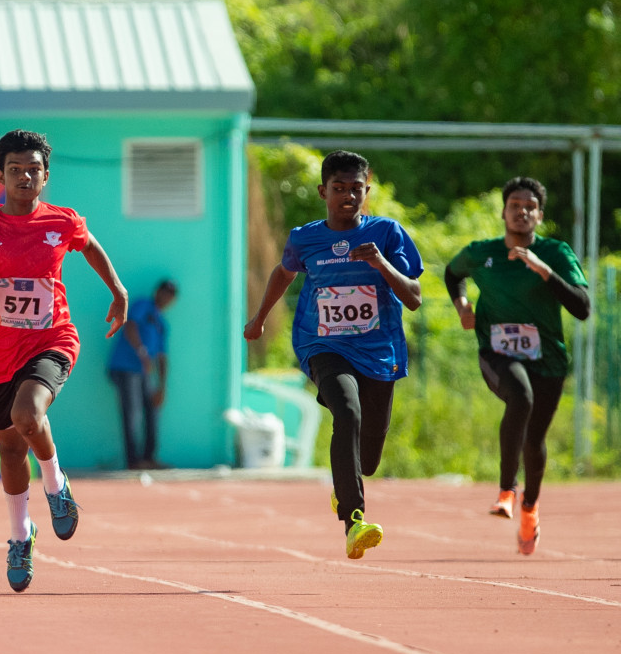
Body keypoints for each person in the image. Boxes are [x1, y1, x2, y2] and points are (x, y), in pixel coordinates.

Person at [0, 129, 129, 592]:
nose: (24, 177)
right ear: (2, 175)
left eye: (33, 170)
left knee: (27, 414)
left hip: (53, 340)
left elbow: (89, 245)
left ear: (45, 176)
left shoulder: (62, 221)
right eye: (15, 170)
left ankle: (55, 484)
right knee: (10, 448)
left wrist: (118, 290)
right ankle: (19, 535)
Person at [243, 150, 422, 559]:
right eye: (339, 189)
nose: (347, 196)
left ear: (367, 192)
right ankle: (354, 521)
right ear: (324, 191)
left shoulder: (388, 235)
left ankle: (345, 487)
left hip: (379, 351)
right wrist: (259, 318)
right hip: (322, 344)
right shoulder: (304, 238)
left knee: (369, 459)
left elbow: (413, 299)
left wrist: (381, 264)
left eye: (356, 189)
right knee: (347, 410)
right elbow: (284, 272)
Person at [445, 177, 589, 554]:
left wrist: (543, 271)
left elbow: (582, 308)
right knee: (519, 397)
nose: (521, 211)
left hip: (549, 360)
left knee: (535, 439)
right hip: (498, 353)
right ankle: (507, 489)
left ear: (539, 215)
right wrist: (461, 305)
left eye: (529, 206)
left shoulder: (556, 253)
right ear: (504, 212)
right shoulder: (481, 253)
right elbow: (452, 272)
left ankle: (530, 506)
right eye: (514, 205)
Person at [107, 279, 178, 470]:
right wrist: (142, 353)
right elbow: (130, 326)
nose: (166, 298)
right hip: (125, 367)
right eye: (164, 293)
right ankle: (134, 461)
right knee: (132, 413)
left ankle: (149, 457)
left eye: (170, 297)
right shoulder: (143, 306)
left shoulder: (162, 324)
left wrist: (162, 387)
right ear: (157, 292)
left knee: (152, 409)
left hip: (143, 373)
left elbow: (162, 358)